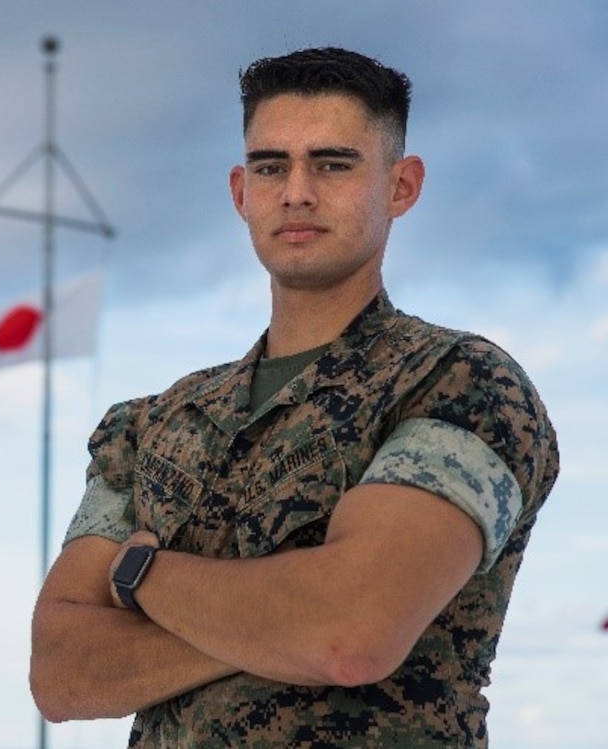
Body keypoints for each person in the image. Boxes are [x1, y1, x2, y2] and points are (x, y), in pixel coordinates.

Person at [29, 47, 560, 748]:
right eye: (271, 165)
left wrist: (141, 572)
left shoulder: (459, 383)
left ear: (401, 186)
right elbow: (62, 672)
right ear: (240, 191)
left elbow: (349, 633)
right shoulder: (154, 425)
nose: (297, 191)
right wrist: (289, 620)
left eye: (333, 164)